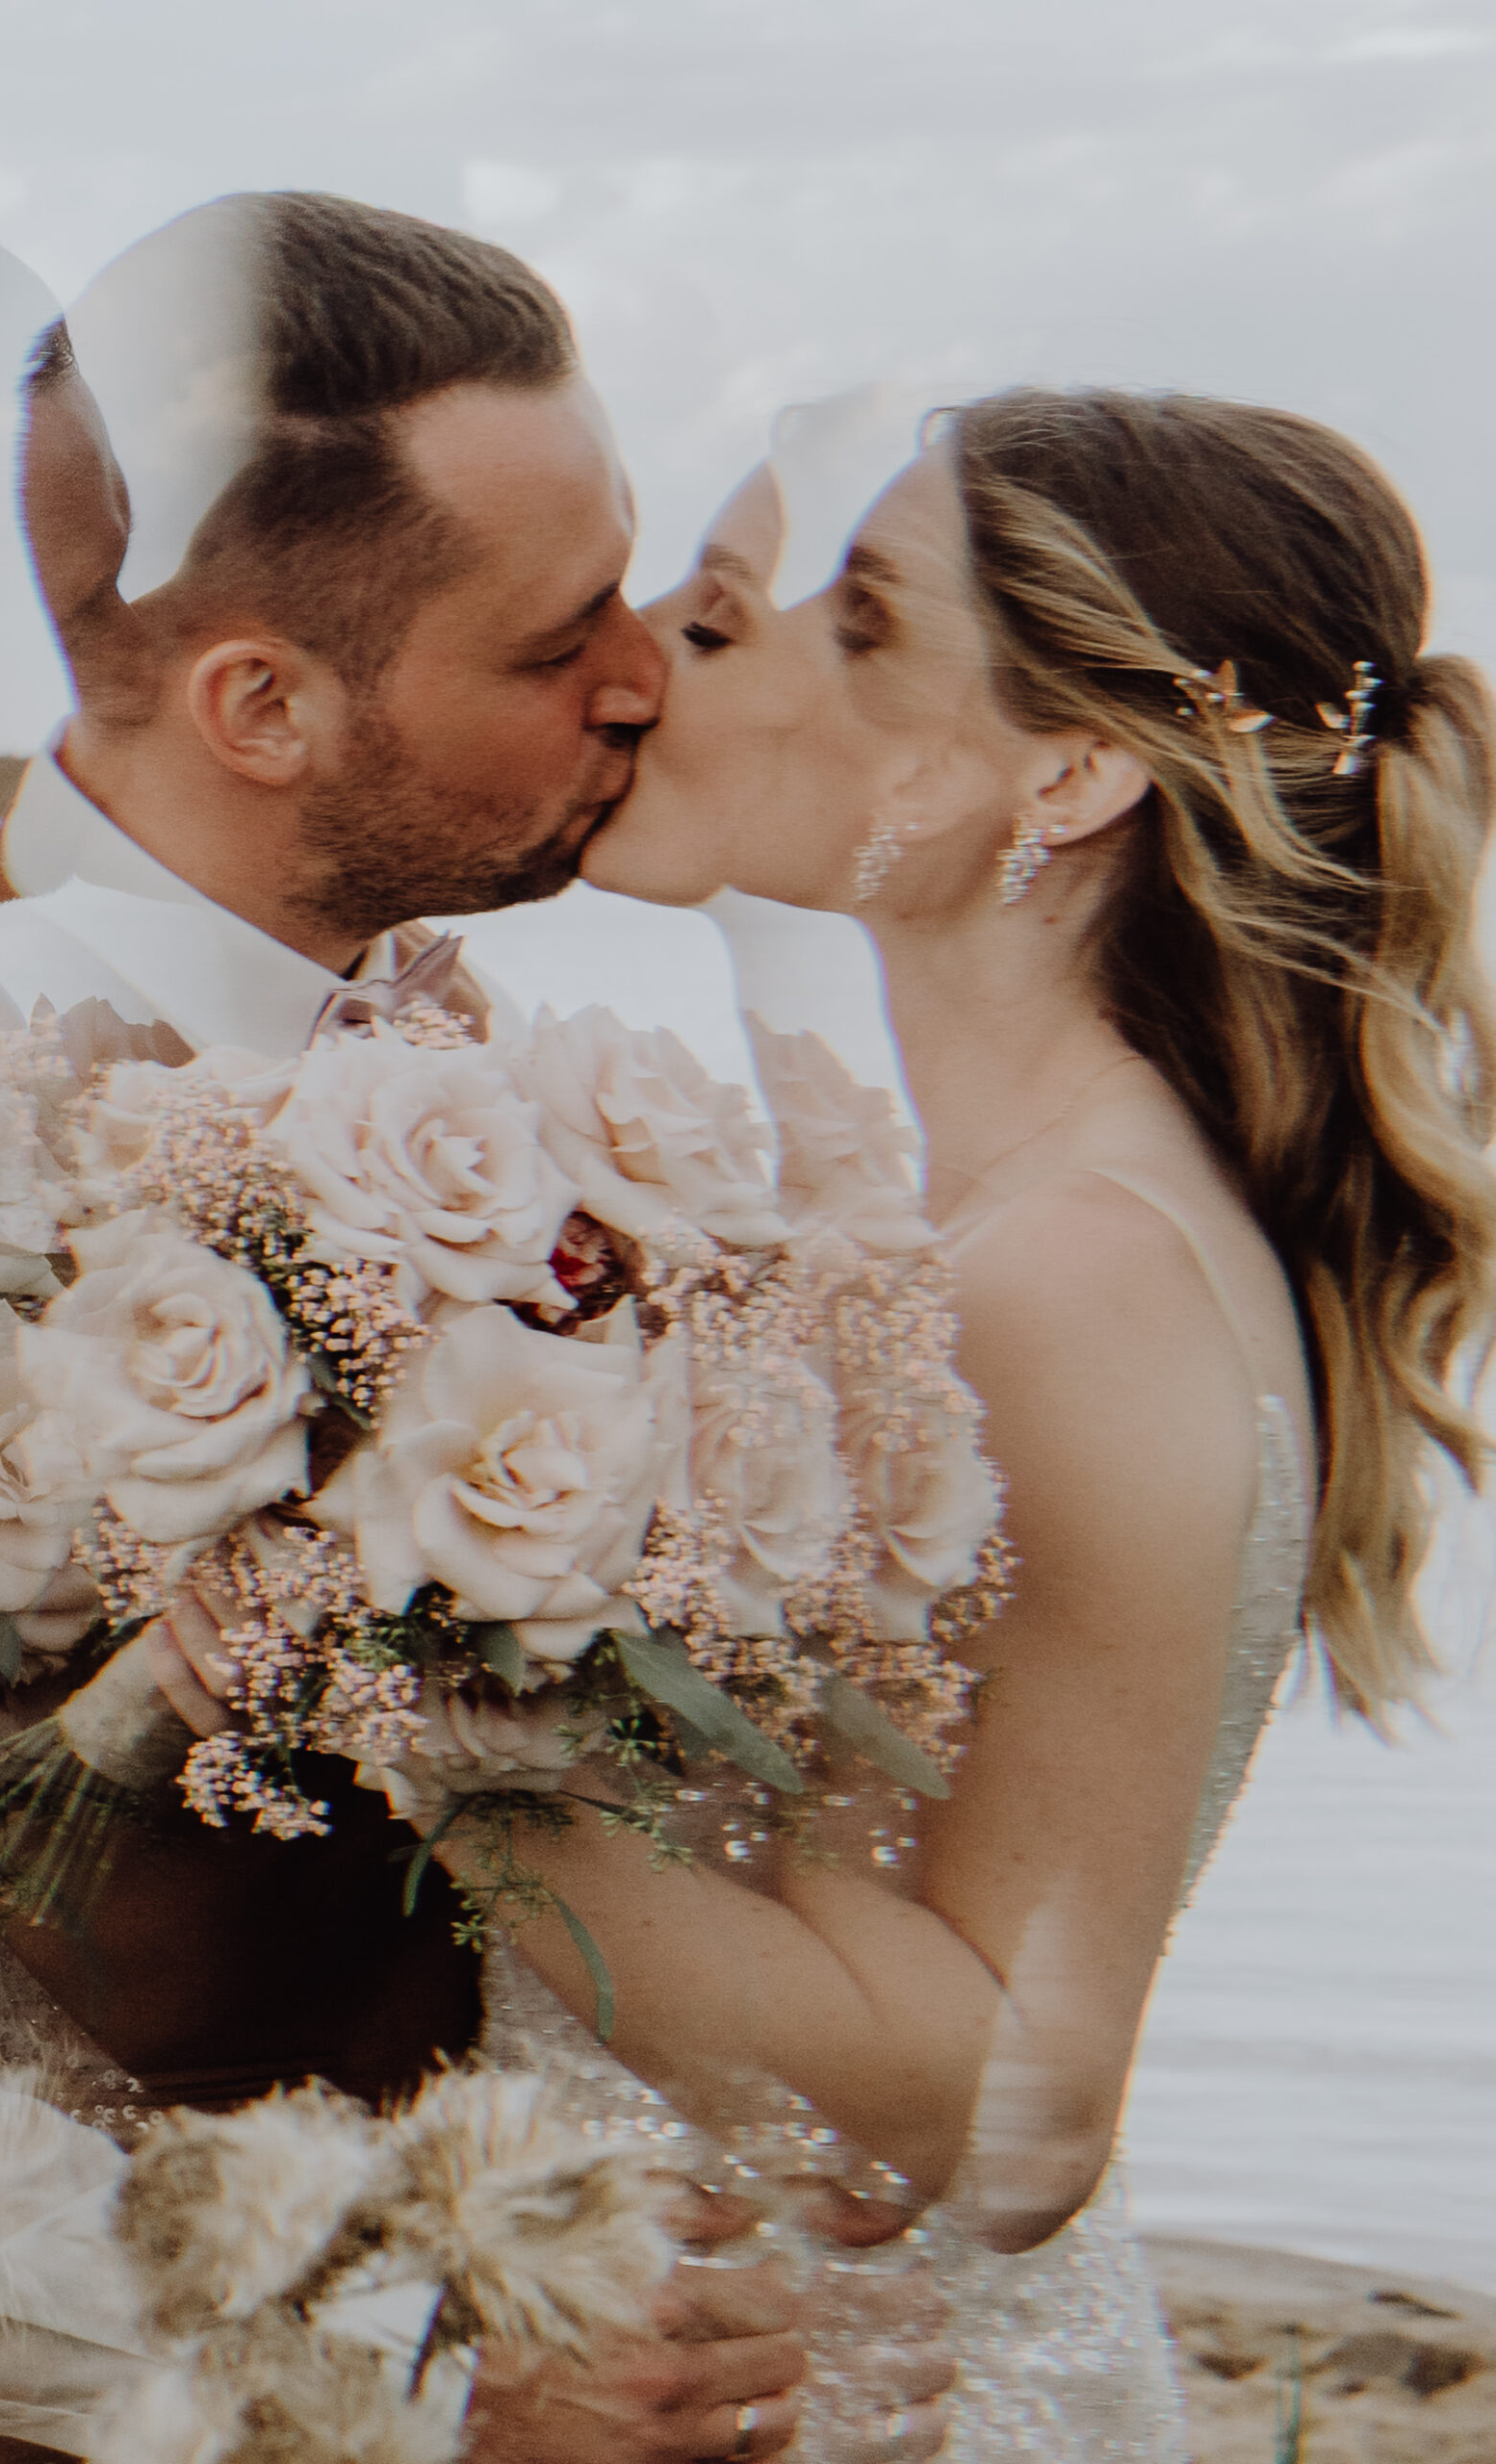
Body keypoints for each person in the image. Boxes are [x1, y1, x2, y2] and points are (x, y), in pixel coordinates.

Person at [171, 384, 1496, 2456]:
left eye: (849, 614)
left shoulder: (1072, 1277)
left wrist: (404, 1711)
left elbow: (1002, 2104)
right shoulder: (945, 1229)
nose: (700, 651)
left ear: (1058, 771)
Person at [0, 192, 814, 2464]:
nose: (638, 675)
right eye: (547, 636)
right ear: (261, 703)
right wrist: (387, 2428)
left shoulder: (445, 1042)